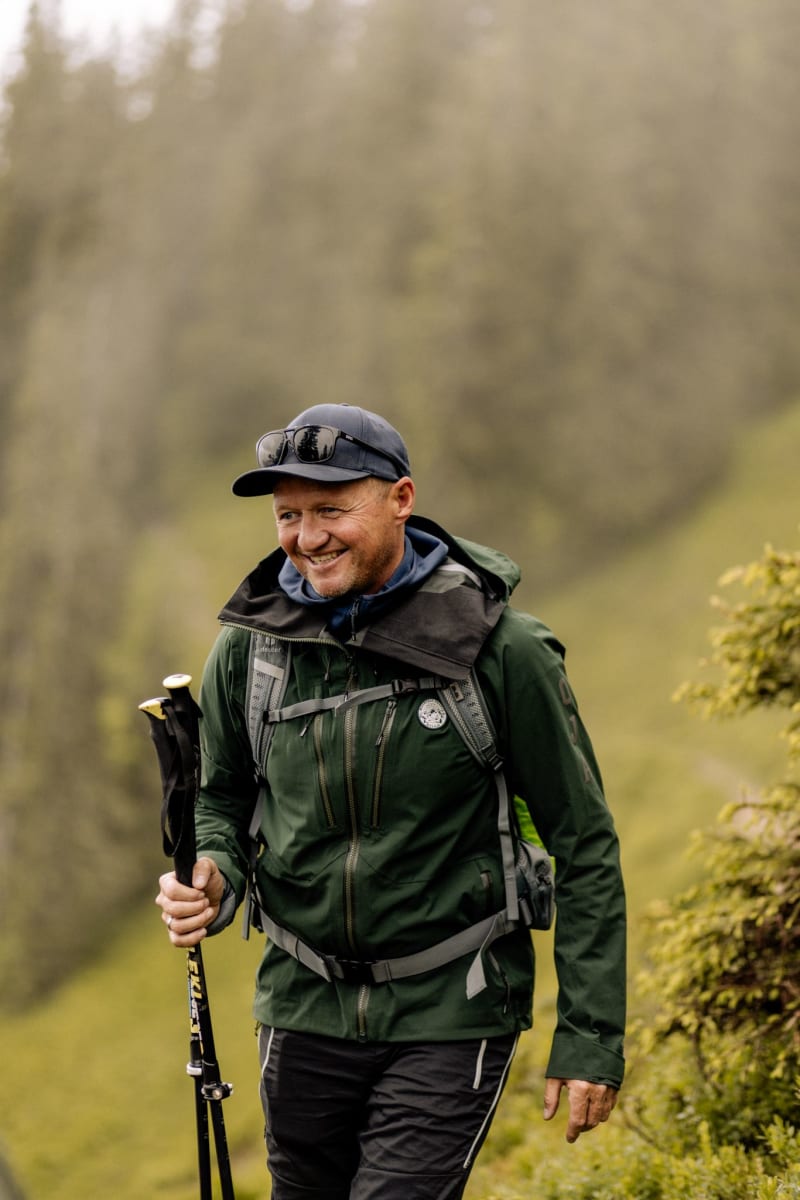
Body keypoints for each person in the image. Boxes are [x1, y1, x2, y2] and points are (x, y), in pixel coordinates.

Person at [156, 403, 626, 1200]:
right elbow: (223, 797)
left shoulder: (503, 651)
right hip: (301, 1003)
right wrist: (213, 874)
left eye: (331, 510)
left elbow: (584, 842)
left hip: (455, 1003)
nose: (308, 539)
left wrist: (589, 1037)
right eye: (289, 516)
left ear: (400, 498)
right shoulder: (251, 648)